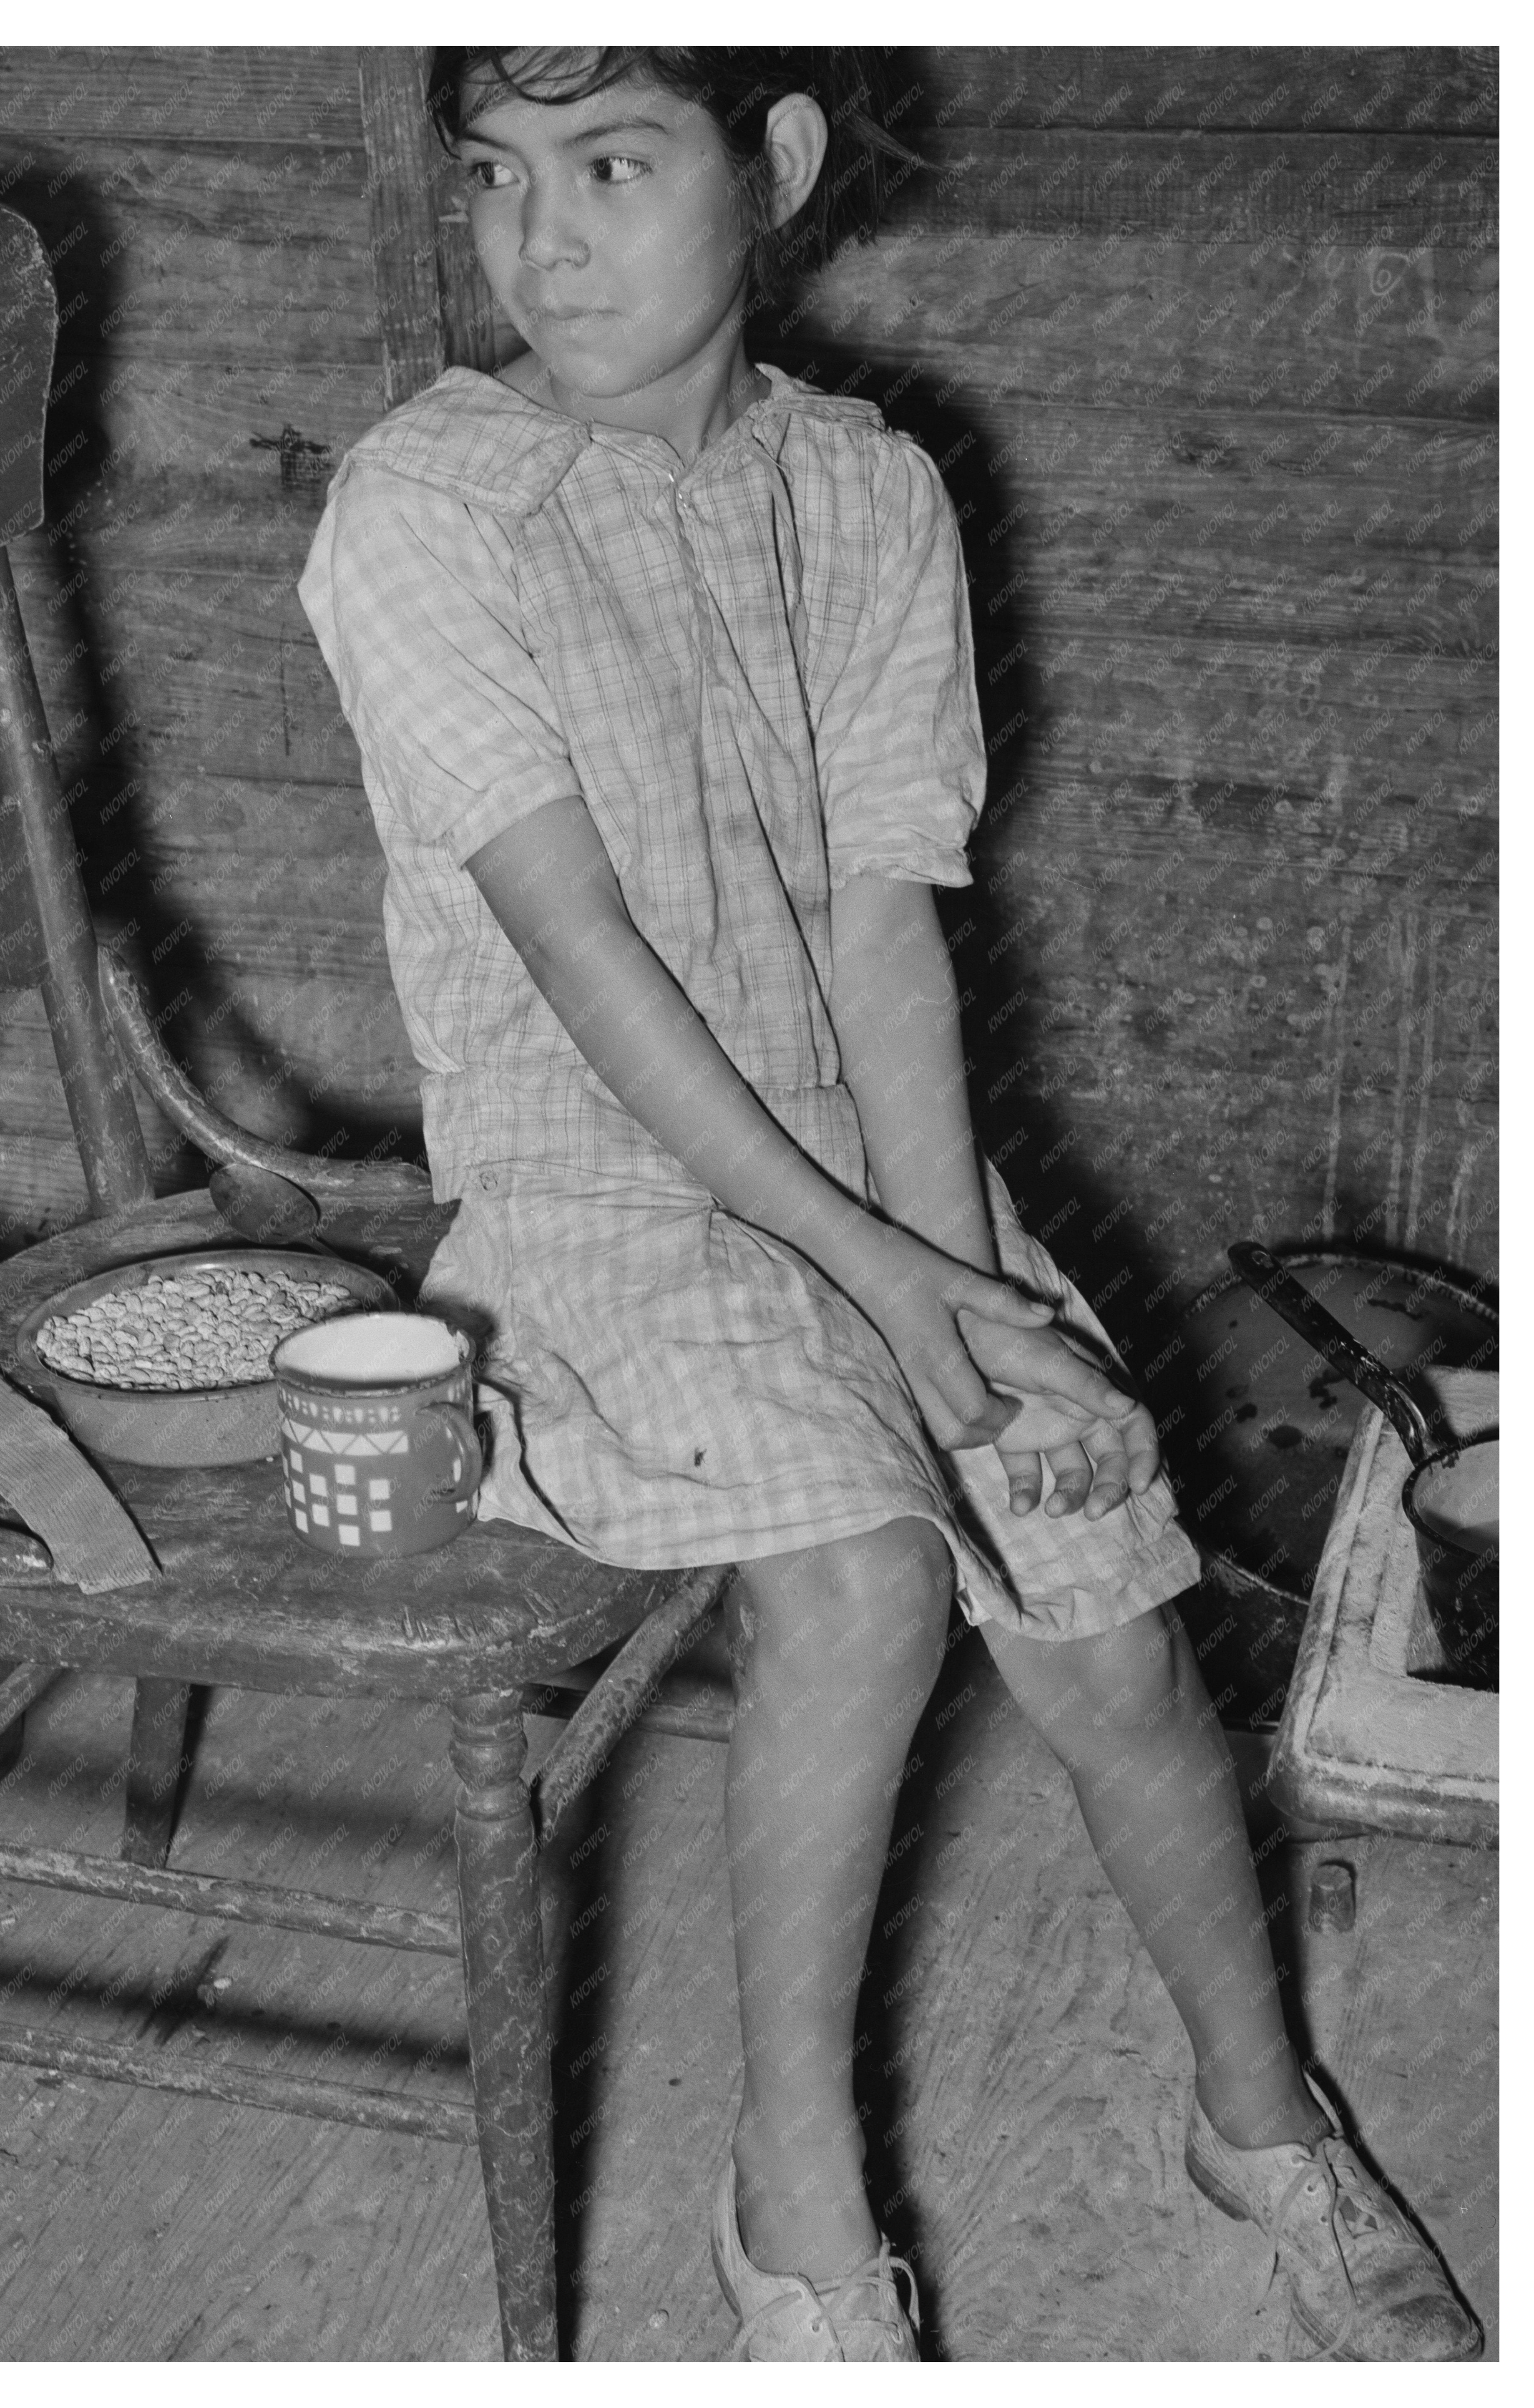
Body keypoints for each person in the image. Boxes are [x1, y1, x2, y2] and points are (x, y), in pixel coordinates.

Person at [297, 46, 1482, 2365]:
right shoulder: (419, 512)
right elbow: (590, 966)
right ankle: (799, 2228)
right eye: (496, 176)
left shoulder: (865, 490)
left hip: (869, 1171)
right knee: (854, 1585)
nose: (543, 238)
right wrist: (899, 1303)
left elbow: (876, 938)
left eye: (616, 164)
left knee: (1110, 1632)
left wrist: (978, 1312)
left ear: (782, 169)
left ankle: (1266, 2125)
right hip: (594, 1196)